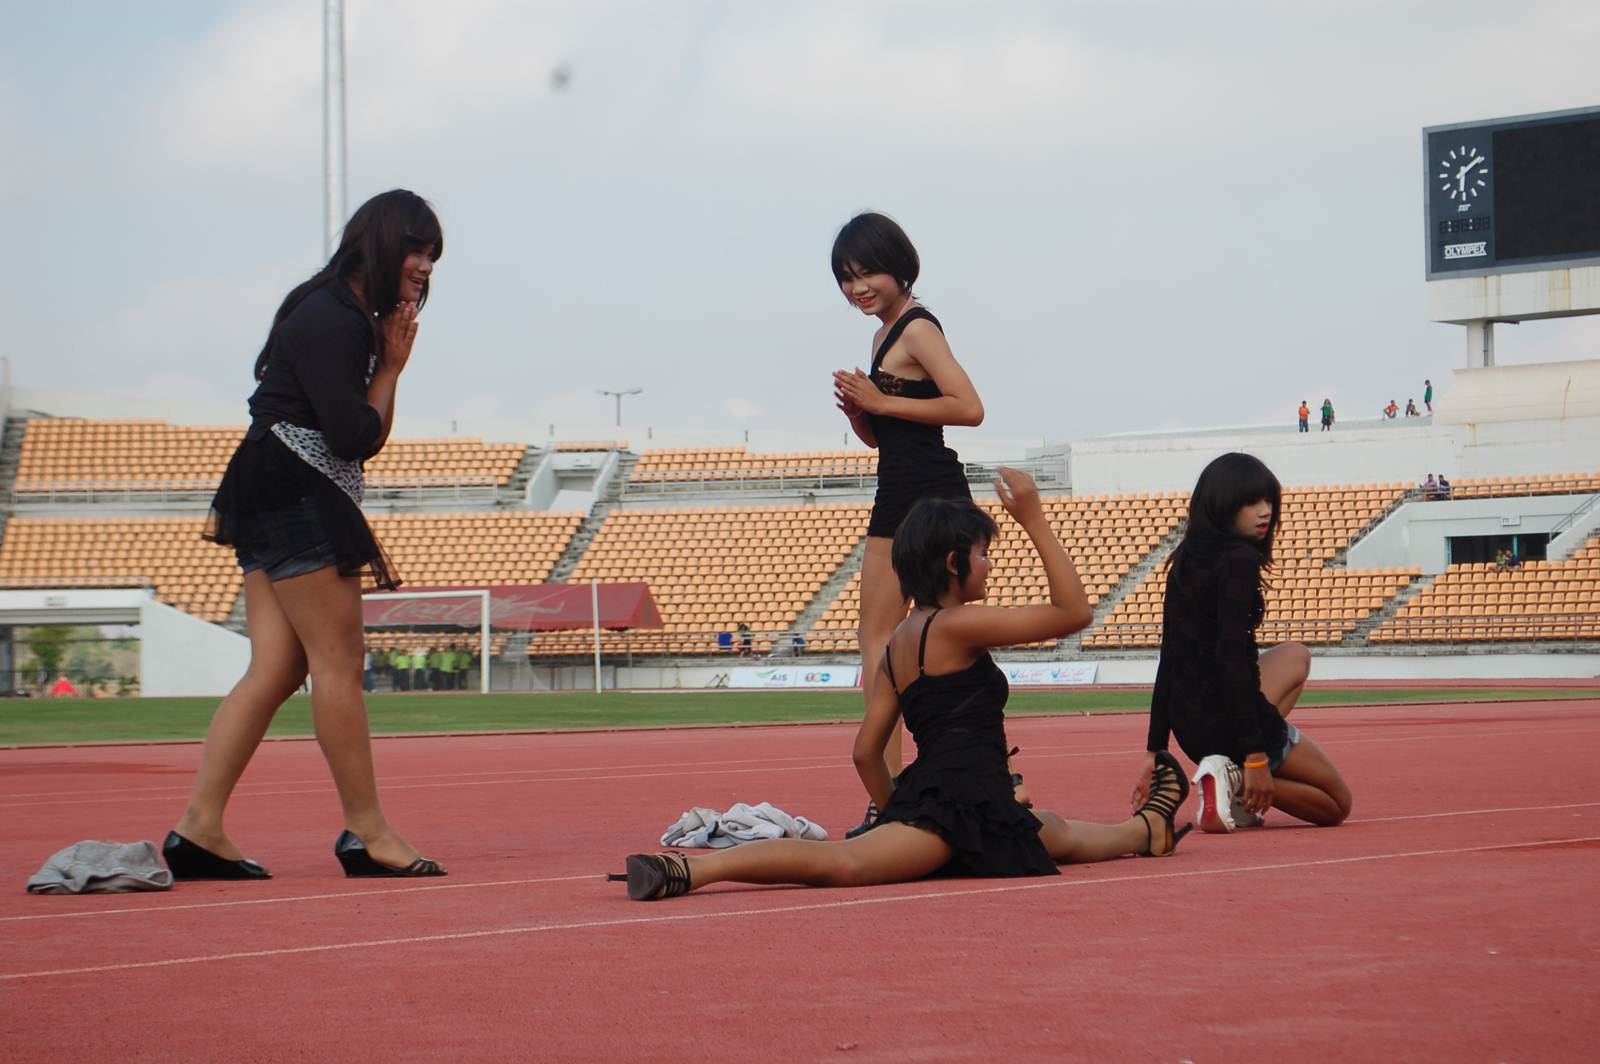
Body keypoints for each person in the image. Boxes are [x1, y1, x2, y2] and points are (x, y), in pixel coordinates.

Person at [611, 469, 1191, 901]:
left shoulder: (897, 644)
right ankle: (690, 870)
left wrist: (897, 810)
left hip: (951, 795)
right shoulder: (956, 625)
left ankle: (1148, 828)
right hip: (957, 802)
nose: (989, 565)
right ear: (952, 563)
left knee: (1053, 832)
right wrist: (1035, 519)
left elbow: (866, 752)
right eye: (983, 554)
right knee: (845, 863)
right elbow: (1075, 612)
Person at [165, 190, 446, 881]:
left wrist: (387, 366)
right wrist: (390, 368)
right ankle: (367, 831)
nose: (424, 267)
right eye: (415, 250)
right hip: (295, 488)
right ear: (380, 243)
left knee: (276, 667)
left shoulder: (334, 310)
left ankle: (199, 827)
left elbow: (356, 433)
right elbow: (354, 437)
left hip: (270, 483)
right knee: (338, 661)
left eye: (432, 256)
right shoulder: (334, 317)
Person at [830, 212, 987, 838]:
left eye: (866, 272)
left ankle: (978, 775)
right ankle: (889, 794)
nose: (857, 287)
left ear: (898, 266)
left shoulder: (918, 327)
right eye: (846, 278)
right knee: (878, 640)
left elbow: (969, 408)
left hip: (934, 496)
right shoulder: (881, 335)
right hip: (896, 490)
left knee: (944, 636)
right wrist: (861, 417)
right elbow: (888, 437)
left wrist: (880, 400)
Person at [1138, 452, 1352, 834]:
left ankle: (1230, 769)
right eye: (1251, 502)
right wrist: (1255, 756)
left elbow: (1169, 658)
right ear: (1223, 506)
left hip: (1191, 726)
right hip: (1225, 718)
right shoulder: (1239, 559)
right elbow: (1231, 658)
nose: (1265, 511)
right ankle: (1235, 775)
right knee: (1336, 804)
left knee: (1295, 656)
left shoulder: (1184, 558)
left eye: (1268, 500)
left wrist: (1155, 751)